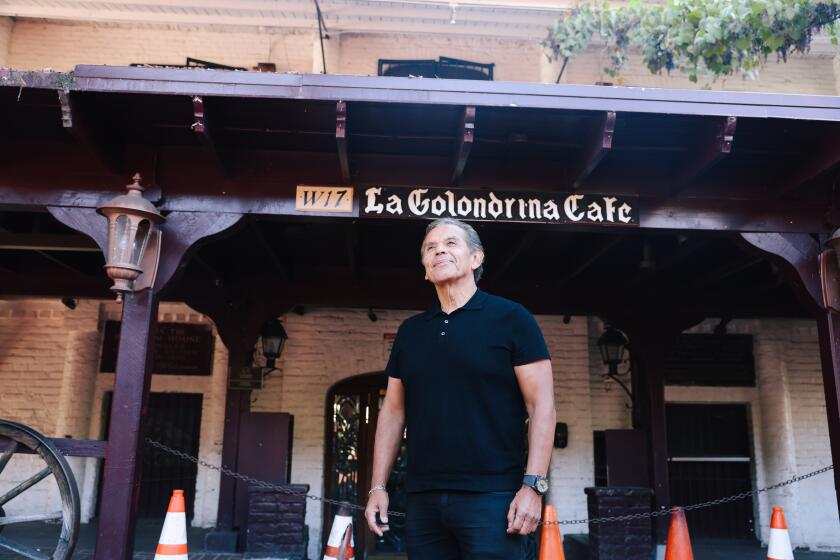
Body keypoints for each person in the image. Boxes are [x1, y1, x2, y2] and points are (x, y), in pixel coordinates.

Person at [364, 217, 556, 559]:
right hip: (422, 500)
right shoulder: (410, 332)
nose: (439, 250)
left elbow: (542, 406)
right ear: (425, 269)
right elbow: (393, 412)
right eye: (430, 247)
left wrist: (533, 486)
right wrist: (378, 486)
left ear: (476, 259)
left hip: (494, 498)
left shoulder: (512, 319)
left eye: (451, 243)